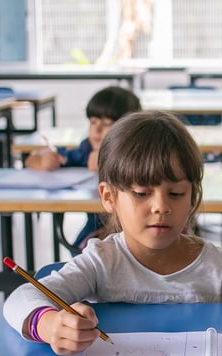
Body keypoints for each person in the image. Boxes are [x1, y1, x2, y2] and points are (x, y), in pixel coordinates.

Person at [4, 111, 222, 355]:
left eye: (176, 193)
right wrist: (49, 325)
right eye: (141, 193)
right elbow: (20, 299)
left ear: (193, 196)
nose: (161, 207)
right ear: (109, 197)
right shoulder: (101, 262)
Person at [25, 86, 142, 250]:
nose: (97, 129)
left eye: (107, 124)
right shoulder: (86, 150)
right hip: (97, 228)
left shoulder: (140, 153)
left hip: (137, 226)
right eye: (93, 122)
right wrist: (43, 161)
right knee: (86, 247)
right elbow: (30, 160)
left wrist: (107, 162)